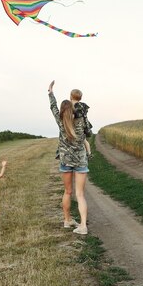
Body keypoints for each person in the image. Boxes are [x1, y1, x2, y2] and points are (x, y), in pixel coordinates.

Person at [48, 80, 89, 235]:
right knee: (80, 194)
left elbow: (53, 106)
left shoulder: (60, 121)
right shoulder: (81, 120)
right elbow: (89, 131)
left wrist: (50, 92)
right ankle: (83, 225)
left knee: (67, 192)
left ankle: (67, 220)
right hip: (80, 160)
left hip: (65, 161)